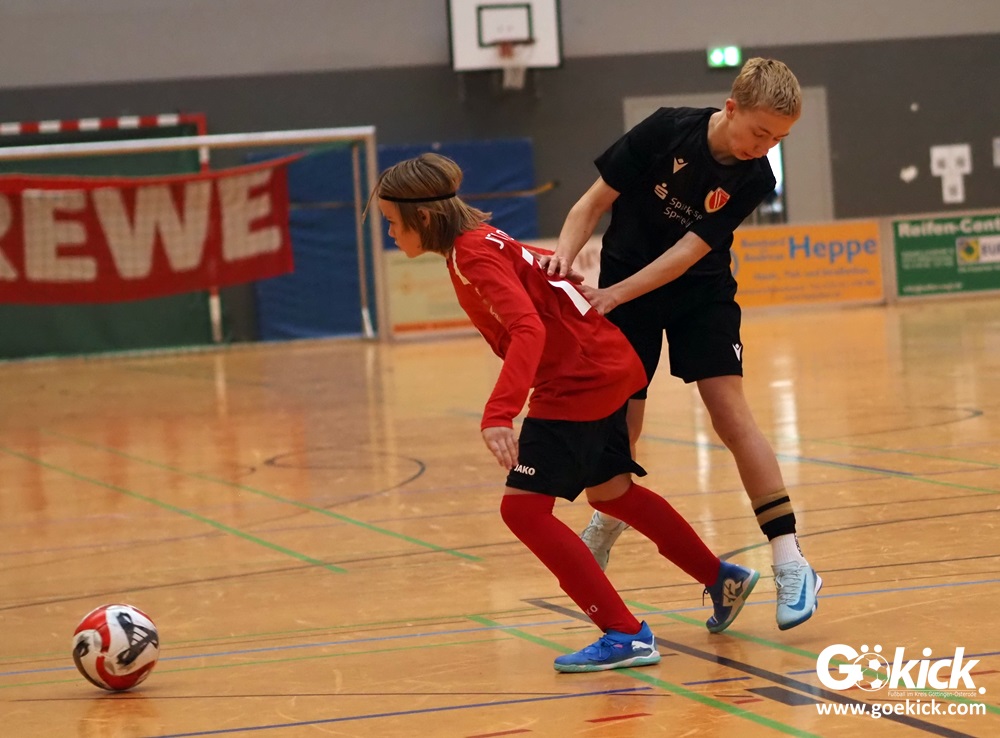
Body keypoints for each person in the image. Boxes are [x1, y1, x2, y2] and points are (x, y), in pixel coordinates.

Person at [371, 153, 759, 673]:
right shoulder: (486, 239)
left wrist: (499, 413)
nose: (390, 234)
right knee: (612, 493)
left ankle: (626, 634)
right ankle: (722, 578)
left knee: (523, 511)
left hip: (580, 379)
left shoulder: (471, 253)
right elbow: (544, 273)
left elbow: (527, 328)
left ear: (422, 216)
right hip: (607, 362)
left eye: (392, 223)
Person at [541, 57, 822, 631]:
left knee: (731, 416)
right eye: (760, 133)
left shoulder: (756, 177)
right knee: (621, 427)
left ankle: (791, 560)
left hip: (699, 294)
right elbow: (589, 205)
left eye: (778, 140)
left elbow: (687, 254)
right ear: (731, 107)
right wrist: (561, 261)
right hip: (626, 289)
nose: (764, 148)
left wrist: (613, 295)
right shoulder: (666, 128)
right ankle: (610, 518)